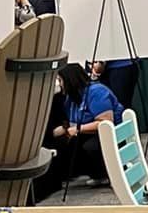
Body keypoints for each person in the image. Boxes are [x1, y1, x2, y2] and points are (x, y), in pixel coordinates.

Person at [48, 60, 121, 191]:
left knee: (89, 146)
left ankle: (105, 174)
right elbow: (72, 120)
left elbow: (105, 123)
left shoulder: (96, 92)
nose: (59, 84)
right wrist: (64, 129)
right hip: (87, 133)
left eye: (60, 80)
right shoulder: (71, 98)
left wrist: (77, 129)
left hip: (110, 133)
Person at [86, 0, 139, 109]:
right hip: (103, 64)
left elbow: (112, 31)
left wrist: (101, 62)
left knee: (120, 107)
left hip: (122, 62)